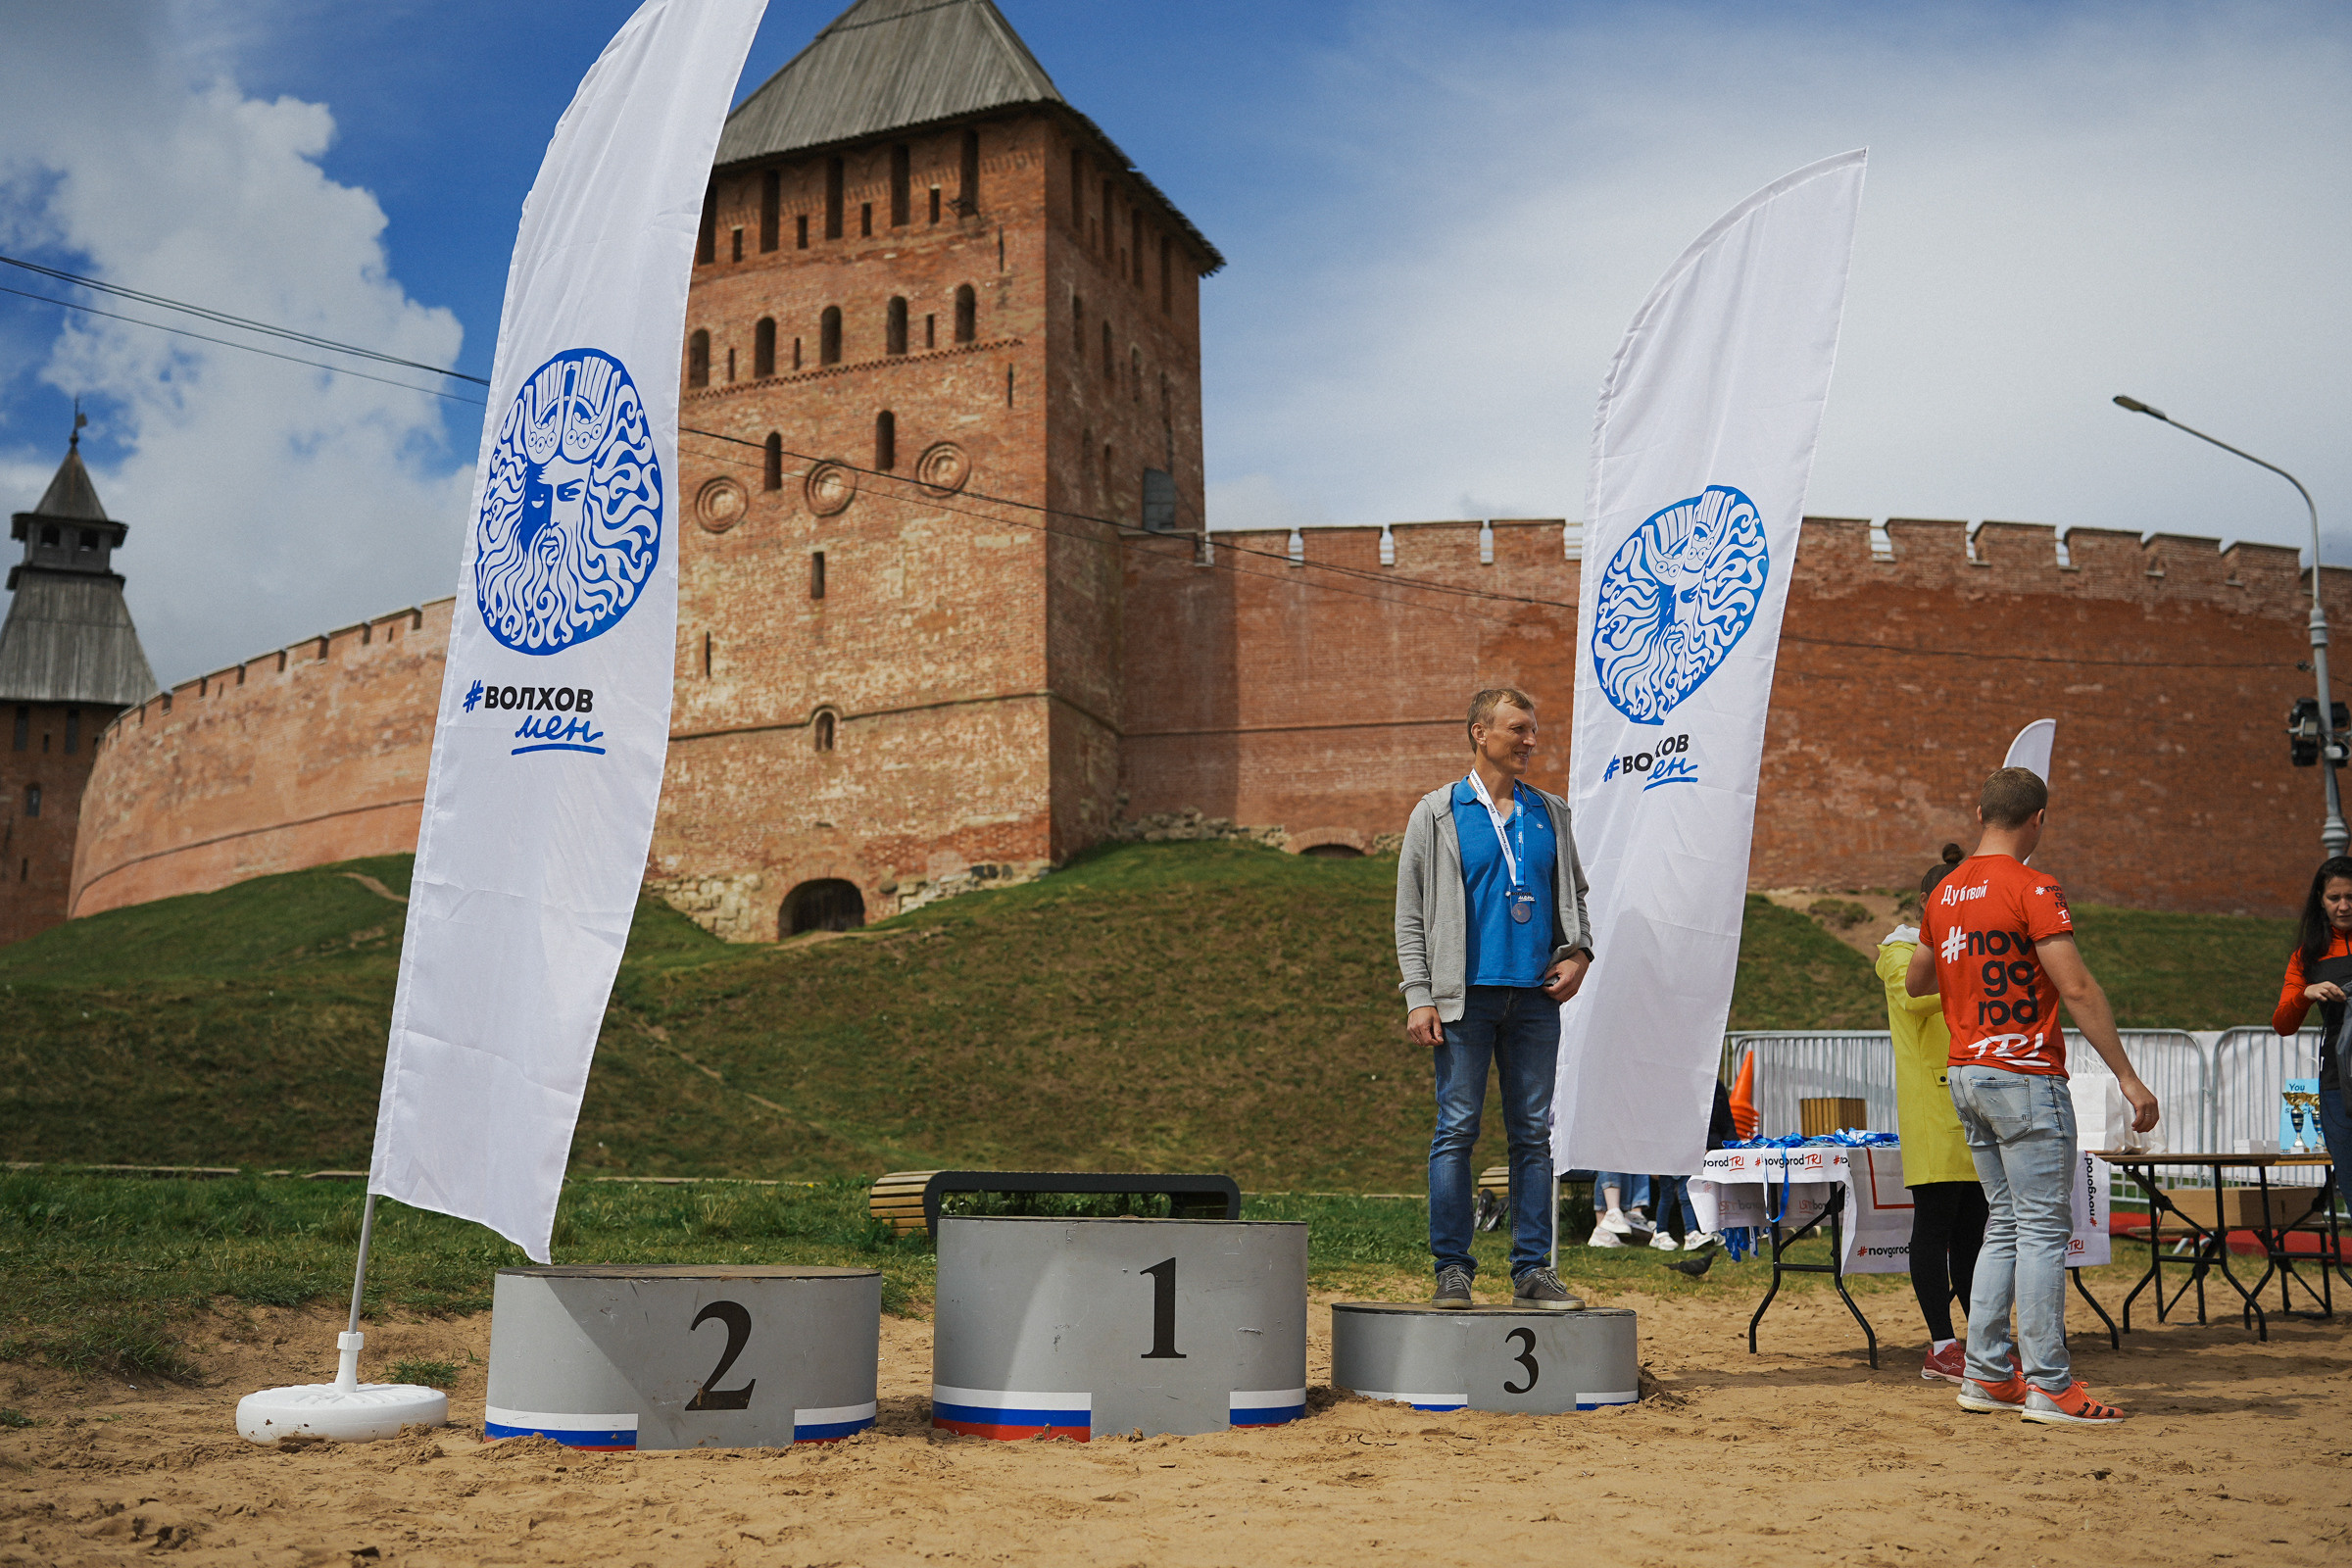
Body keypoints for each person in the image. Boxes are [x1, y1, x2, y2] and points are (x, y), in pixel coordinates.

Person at [1907, 767, 2159, 1426]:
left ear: (1980, 811)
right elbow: (2075, 988)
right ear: (2037, 821)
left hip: (1966, 1073)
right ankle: (2049, 1383)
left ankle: (1988, 1372)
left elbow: (1916, 981)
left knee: (2006, 1225)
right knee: (2044, 1229)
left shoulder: (1946, 893)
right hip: (2025, 1074)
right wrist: (2128, 1076)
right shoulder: (2036, 887)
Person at [1396, 687, 1594, 1310]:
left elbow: (1576, 897)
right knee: (1456, 1130)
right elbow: (1410, 914)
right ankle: (1453, 1269)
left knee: (1533, 1136)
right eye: (1518, 730)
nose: (1530, 741)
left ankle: (1533, 1272)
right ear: (1480, 733)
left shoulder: (1551, 812)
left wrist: (1580, 953)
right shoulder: (1437, 812)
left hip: (1535, 999)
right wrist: (1417, 995)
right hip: (1463, 1001)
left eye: (1533, 731)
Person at [1878, 843, 1989, 1385]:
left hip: (1975, 1109)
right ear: (1927, 902)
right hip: (1931, 1111)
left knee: (1973, 1234)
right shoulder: (1898, 953)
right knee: (1934, 1229)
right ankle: (1941, 1345)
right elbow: (1919, 995)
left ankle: (1983, 1341)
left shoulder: (1967, 950)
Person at [2269, 857, 2352, 1187]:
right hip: (2337, 1082)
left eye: (2351, 897)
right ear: (2320, 900)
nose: (2344, 906)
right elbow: (2282, 1024)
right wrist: (2306, 993)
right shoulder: (2307, 956)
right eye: (2335, 898)